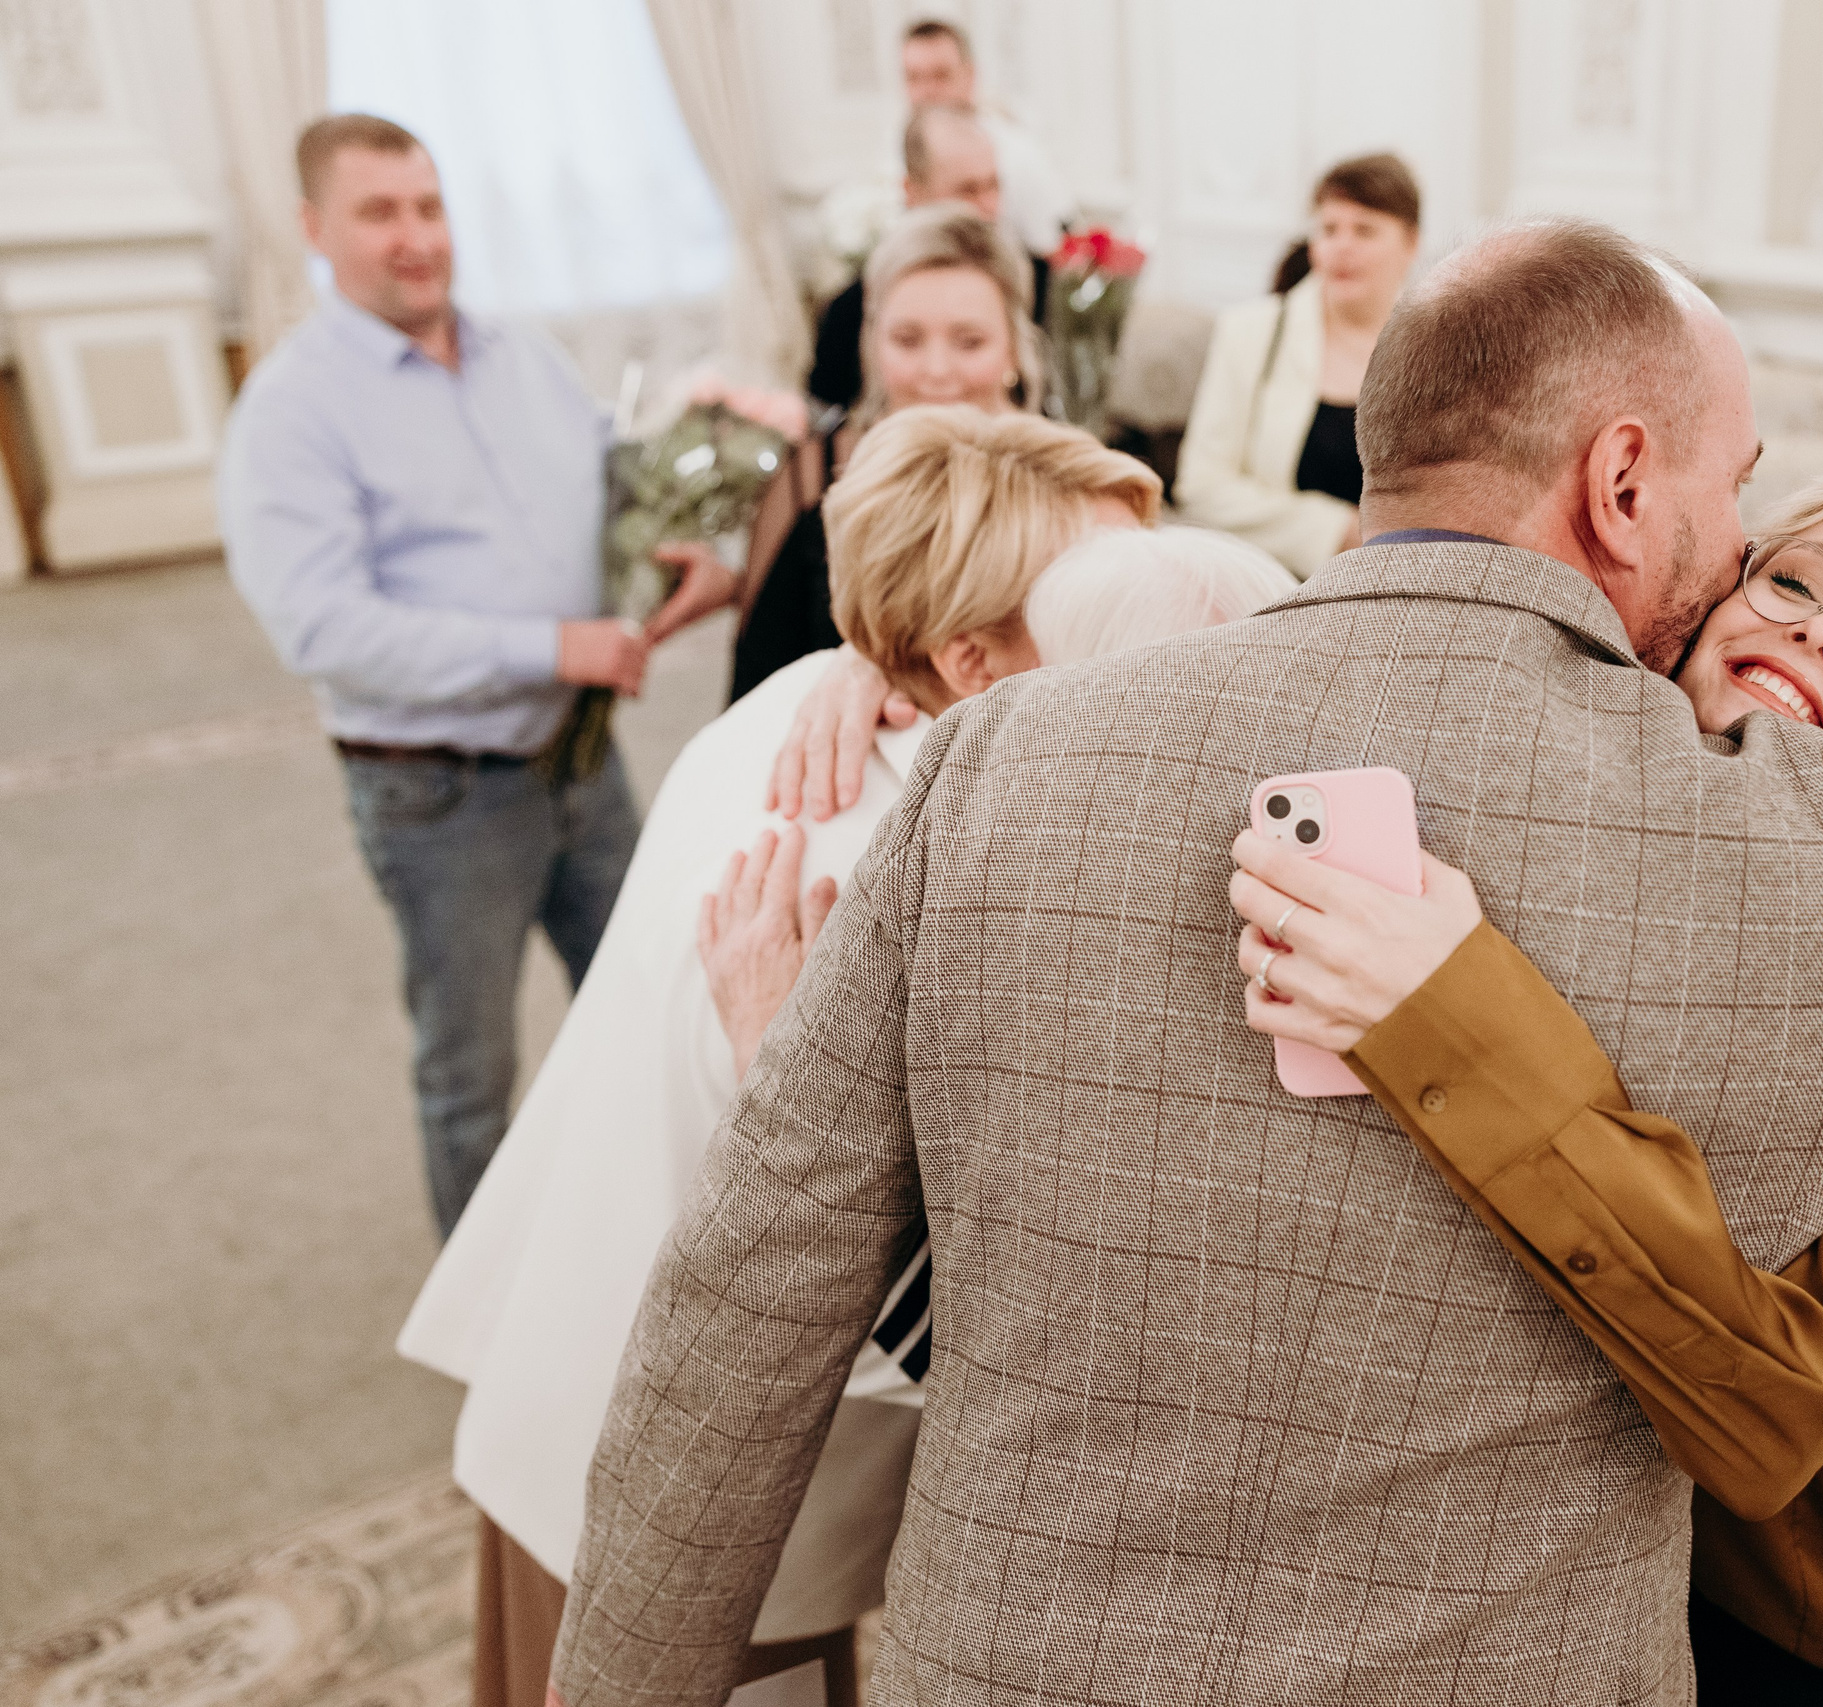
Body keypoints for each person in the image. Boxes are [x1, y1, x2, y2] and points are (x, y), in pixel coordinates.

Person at [551, 219, 1823, 1707]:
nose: (1739, 558)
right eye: (1741, 496)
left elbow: (745, 1306)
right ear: (1624, 483)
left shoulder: (1008, 753)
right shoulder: (1800, 864)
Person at [400, 410, 1266, 1707]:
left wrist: (863, 662)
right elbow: (947, 1310)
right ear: (971, 657)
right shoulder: (921, 887)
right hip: (698, 1509)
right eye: (1107, 602)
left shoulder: (811, 708)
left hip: (584, 1393)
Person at [1222, 464, 1823, 1704]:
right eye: (1796, 584)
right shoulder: (1522, 803)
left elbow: (1764, 1418)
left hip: (1773, 1604)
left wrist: (1455, 1020)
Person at [219, 114, 736, 1238]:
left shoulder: (522, 355)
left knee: (659, 1002)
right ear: (313, 228)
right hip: (439, 796)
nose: (416, 236)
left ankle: (660, 1241)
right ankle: (489, 1312)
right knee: (471, 1077)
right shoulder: (291, 411)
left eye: (428, 205)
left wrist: (677, 556)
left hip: (581, 761)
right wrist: (551, 647)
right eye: (378, 212)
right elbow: (325, 629)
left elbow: (604, 481)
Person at [732, 203, 1043, 702]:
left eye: (969, 342)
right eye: (907, 340)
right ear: (872, 345)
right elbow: (754, 692)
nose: (936, 370)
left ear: (1012, 347)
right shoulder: (813, 477)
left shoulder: (1064, 480)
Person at [1174, 153, 1423, 577]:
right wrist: (1336, 530)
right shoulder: (1249, 333)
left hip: (1400, 580)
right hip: (1275, 582)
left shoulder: (1438, 348)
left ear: (1411, 244)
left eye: (1364, 230)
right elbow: (1200, 483)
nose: (1342, 246)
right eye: (1329, 229)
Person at [806, 104, 1050, 414]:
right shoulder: (849, 310)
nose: (988, 206)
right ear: (913, 192)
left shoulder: (1039, 281)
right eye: (968, 190)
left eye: (993, 186)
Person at [897, 18, 1074, 264]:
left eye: (941, 76)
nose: (927, 91)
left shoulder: (1019, 156)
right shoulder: (895, 154)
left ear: (970, 76)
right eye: (914, 78)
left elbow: (1058, 255)